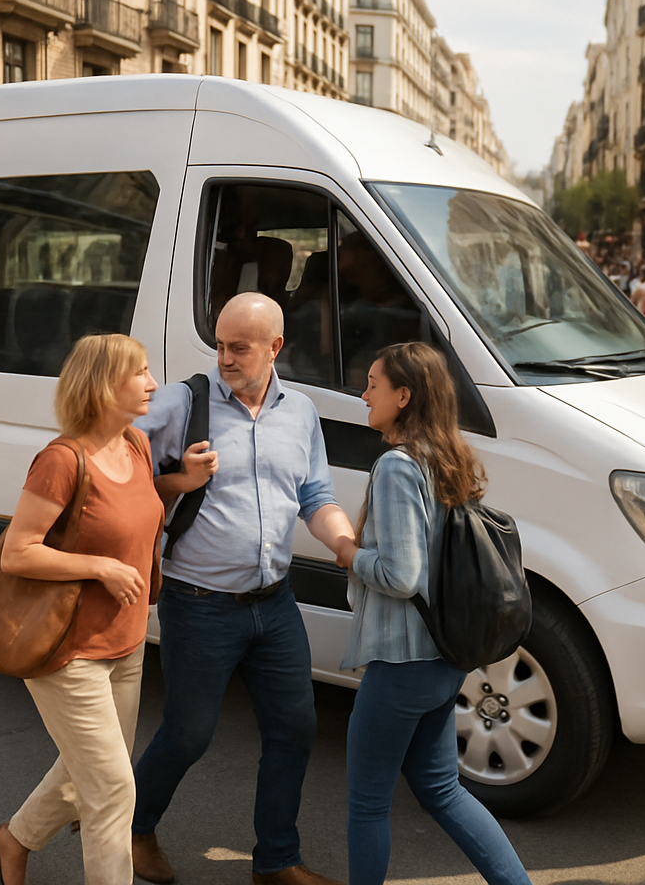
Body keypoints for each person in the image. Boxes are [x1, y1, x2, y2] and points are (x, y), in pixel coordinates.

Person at [130, 292, 355, 885]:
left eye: (239, 348)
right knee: (188, 734)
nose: (224, 357)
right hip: (199, 603)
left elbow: (315, 496)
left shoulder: (301, 412)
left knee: (295, 728)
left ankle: (276, 860)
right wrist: (179, 478)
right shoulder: (182, 403)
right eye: (220, 345)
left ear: (275, 348)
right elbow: (117, 479)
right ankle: (131, 828)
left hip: (275, 603)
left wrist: (346, 547)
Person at [330, 342, 530, 885]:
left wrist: (349, 552)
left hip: (402, 662)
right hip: (444, 657)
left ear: (404, 395)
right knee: (441, 789)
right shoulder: (447, 457)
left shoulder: (397, 466)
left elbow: (402, 575)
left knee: (368, 803)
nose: (364, 393)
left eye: (373, 383)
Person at [0, 334, 165, 885]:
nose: (152, 383)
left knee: (82, 772)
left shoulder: (135, 444)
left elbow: (137, 508)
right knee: (113, 789)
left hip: (127, 641)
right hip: (68, 651)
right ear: (104, 385)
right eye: (139, 373)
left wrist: (183, 483)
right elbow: (19, 552)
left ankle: (13, 839)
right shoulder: (61, 461)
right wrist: (100, 567)